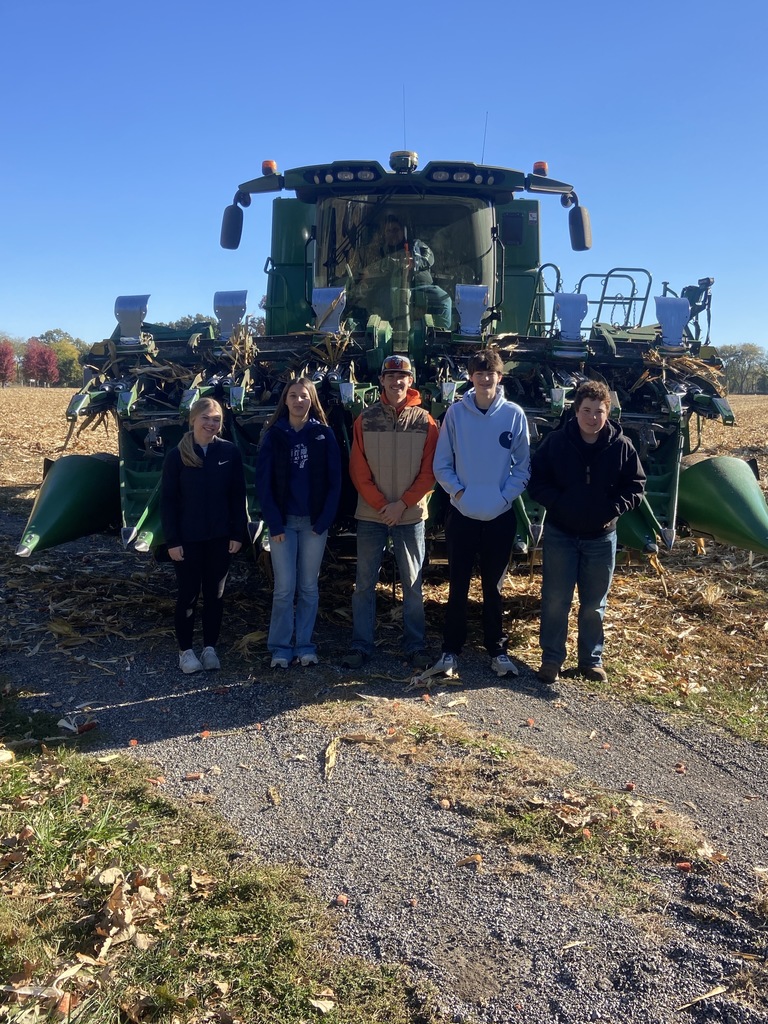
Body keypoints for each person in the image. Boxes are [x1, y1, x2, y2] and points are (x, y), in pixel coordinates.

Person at [527, 380, 646, 687]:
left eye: (599, 411)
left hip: (601, 538)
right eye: (587, 410)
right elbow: (536, 479)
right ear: (575, 411)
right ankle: (551, 659)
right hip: (561, 534)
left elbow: (636, 486)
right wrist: (559, 503)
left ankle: (590, 661)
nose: (593, 417)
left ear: (609, 412)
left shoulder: (622, 446)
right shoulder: (556, 442)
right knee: (556, 599)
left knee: (594, 603)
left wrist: (611, 509)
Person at [432, 348, 530, 678]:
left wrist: (504, 497)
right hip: (463, 515)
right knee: (457, 586)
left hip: (500, 516)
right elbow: (441, 463)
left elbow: (523, 466)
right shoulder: (456, 414)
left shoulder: (514, 415)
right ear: (471, 378)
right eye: (479, 372)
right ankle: (450, 651)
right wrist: (459, 493)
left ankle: (497, 651)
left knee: (495, 588)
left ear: (499, 377)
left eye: (491, 373)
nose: (485, 378)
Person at [342, 353, 439, 670]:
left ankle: (415, 646)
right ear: (381, 381)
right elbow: (358, 470)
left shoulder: (426, 422)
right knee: (364, 585)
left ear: (410, 381)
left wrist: (403, 503)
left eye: (403, 377)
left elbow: (430, 472)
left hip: (409, 517)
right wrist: (384, 505)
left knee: (413, 585)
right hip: (373, 515)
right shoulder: (365, 420)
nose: (397, 381)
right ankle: (361, 645)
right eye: (390, 376)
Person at [255, 378, 341, 668]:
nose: (298, 401)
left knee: (308, 587)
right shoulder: (274, 435)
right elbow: (263, 484)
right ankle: (280, 648)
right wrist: (274, 525)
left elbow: (335, 482)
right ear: (286, 401)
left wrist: (324, 520)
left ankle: (304, 645)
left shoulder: (323, 434)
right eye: (293, 396)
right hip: (284, 524)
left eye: (304, 396)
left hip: (314, 524)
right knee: (284, 588)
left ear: (311, 400)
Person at [160, 397, 247, 674]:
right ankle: (185, 652)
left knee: (215, 595)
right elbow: (168, 501)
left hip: (220, 538)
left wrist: (237, 533)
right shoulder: (177, 456)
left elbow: (237, 496)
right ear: (193, 420)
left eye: (216, 419)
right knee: (187, 595)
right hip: (187, 540)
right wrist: (172, 541)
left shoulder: (229, 452)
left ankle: (210, 648)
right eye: (206, 418)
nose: (211, 424)